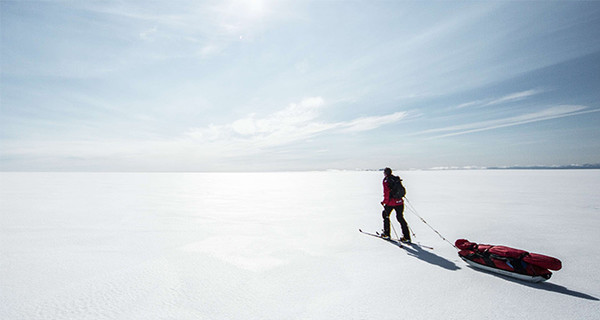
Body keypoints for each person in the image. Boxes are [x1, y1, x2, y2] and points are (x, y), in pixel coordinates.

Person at [381, 167, 411, 242]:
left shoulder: (386, 180)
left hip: (391, 202)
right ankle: (407, 237)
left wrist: (384, 202)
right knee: (400, 218)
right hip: (400, 202)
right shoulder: (396, 179)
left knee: (385, 215)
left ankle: (386, 233)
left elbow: (387, 193)